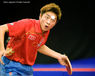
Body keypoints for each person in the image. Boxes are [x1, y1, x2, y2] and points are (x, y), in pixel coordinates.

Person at [0, 3, 72, 76]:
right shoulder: (27, 24)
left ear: (55, 23)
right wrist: (1, 49)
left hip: (27, 69)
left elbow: (38, 45)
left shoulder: (45, 31)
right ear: (40, 16)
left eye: (52, 20)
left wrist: (58, 56)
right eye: (47, 17)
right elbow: (1, 28)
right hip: (11, 65)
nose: (48, 22)